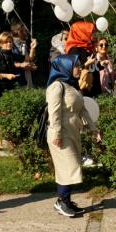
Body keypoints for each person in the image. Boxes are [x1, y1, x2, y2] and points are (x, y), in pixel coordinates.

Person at [46, 53, 93, 218]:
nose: (79, 68)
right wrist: (57, 134)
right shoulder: (57, 87)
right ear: (65, 66)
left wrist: (94, 129)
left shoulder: (72, 86)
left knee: (71, 167)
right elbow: (54, 113)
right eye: (76, 65)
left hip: (72, 132)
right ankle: (62, 202)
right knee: (69, 167)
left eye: (80, 65)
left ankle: (66, 200)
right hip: (60, 134)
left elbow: (83, 110)